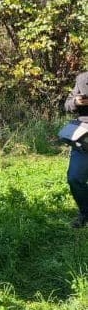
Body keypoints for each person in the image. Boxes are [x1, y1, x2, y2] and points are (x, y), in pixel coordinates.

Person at [64, 71, 88, 228]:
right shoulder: (82, 79)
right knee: (74, 177)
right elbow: (66, 105)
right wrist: (76, 102)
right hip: (84, 136)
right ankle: (85, 213)